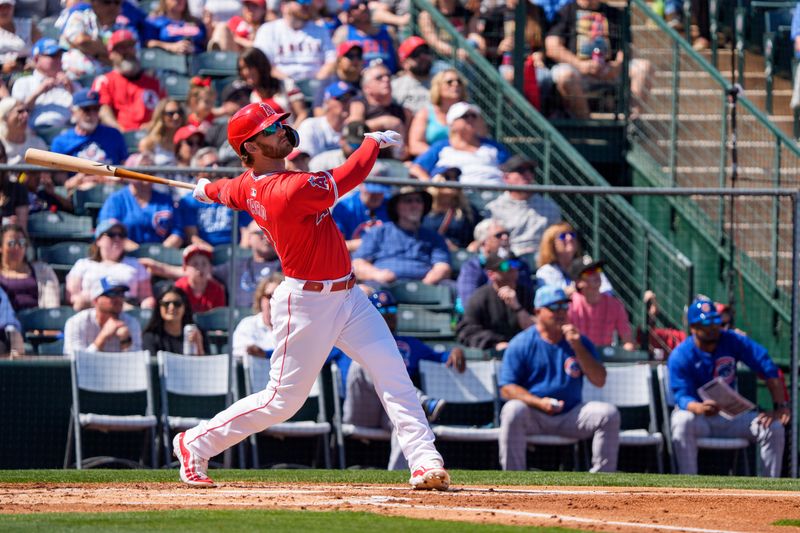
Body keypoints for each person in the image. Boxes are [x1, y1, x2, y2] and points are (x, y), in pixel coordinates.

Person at [178, 101, 449, 490]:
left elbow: (230, 190)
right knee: (282, 401)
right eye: (270, 131)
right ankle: (194, 442)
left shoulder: (250, 184)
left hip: (349, 296)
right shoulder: (288, 189)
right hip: (305, 303)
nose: (281, 132)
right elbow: (350, 173)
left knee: (393, 373)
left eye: (279, 125)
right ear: (249, 149)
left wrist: (207, 190)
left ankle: (424, 461)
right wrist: (370, 142)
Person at [498, 285, 620, 472]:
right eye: (554, 308)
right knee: (512, 410)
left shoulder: (579, 340)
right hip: (535, 414)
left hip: (571, 414)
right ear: (538, 311)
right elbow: (507, 388)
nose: (561, 312)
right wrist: (539, 403)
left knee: (608, 414)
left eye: (564, 306)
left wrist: (578, 347)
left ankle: (602, 481)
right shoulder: (521, 342)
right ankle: (513, 477)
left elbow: (599, 380)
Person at [668, 297, 790, 477]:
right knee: (681, 421)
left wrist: (781, 407)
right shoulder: (681, 355)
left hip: (731, 417)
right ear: (693, 328)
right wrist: (699, 407)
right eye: (706, 323)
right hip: (699, 418)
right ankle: (688, 484)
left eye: (715, 322)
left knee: (774, 428)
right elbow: (681, 396)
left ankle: (769, 491)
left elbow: (767, 366)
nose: (713, 328)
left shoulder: (731, 340)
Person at [344, 289, 465, 469]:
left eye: (392, 311)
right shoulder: (351, 339)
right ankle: (423, 402)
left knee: (405, 418)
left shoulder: (410, 344)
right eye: (382, 312)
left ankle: (397, 476)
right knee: (366, 361)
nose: (388, 316)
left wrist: (456, 351)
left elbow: (442, 357)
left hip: (390, 409)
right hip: (363, 409)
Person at [545, 0, 652, 119]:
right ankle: (586, 124)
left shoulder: (615, 13)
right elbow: (552, 47)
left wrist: (617, 66)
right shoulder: (566, 12)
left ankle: (633, 122)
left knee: (643, 67)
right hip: (577, 71)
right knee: (563, 74)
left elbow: (626, 47)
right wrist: (579, 64)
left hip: (610, 70)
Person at [353, 186, 452, 286]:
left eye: (419, 201)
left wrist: (428, 282)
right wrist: (377, 274)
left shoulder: (434, 237)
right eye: (408, 201)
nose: (415, 205)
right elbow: (358, 263)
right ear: (396, 207)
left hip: (425, 286)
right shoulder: (378, 233)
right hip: (383, 287)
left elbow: (442, 266)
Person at [410, 101, 509, 185]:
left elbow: (510, 171)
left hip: (496, 199)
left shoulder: (494, 147)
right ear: (452, 123)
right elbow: (416, 168)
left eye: (474, 116)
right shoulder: (441, 147)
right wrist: (431, 185)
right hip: (457, 201)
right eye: (465, 116)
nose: (471, 119)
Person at [171, 147, 252, 248]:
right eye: (210, 165)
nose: (216, 168)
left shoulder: (233, 193)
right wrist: (212, 254)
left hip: (234, 253)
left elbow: (246, 231)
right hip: (204, 255)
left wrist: (240, 255)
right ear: (197, 173)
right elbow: (192, 237)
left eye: (218, 164)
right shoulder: (188, 201)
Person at [66, 219, 155, 311]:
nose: (117, 238)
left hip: (126, 311)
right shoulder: (83, 264)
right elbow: (73, 296)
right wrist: (103, 303)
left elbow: (146, 297)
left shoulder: (135, 265)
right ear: (98, 240)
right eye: (111, 235)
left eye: (121, 235)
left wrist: (146, 307)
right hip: (91, 310)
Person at [51, 89, 128, 193]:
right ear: (73, 112)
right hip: (79, 193)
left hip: (111, 190)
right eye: (86, 109)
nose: (91, 114)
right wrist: (81, 179)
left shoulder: (113, 135)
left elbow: (125, 169)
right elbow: (63, 185)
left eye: (96, 109)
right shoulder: (61, 142)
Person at [456, 253, 535, 351]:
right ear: (491, 274)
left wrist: (517, 307)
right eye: (505, 266)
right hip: (492, 355)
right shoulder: (480, 297)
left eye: (514, 264)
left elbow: (538, 328)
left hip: (525, 351)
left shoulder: (527, 294)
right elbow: (467, 331)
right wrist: (495, 343)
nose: (512, 269)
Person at [252, 0, 336, 92]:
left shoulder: (320, 30)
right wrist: (289, 83)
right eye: (301, 1)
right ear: (285, 4)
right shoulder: (268, 29)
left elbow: (331, 60)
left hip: (315, 86)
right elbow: (262, 63)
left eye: (308, 2)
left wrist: (318, 80)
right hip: (280, 87)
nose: (306, 5)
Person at [97, 152, 178, 245]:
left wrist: (159, 253)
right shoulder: (116, 200)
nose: (148, 176)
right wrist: (138, 252)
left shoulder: (165, 200)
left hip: (160, 256)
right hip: (125, 256)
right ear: (130, 174)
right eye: (142, 172)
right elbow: (108, 232)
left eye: (152, 172)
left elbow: (177, 232)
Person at [486, 157, 561, 256]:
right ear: (506, 177)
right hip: (507, 263)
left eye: (531, 170)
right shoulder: (494, 208)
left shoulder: (549, 206)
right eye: (520, 170)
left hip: (542, 261)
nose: (527, 174)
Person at [94, 29, 165, 132]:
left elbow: (163, 108)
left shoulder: (154, 82)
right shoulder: (104, 81)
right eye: (121, 48)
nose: (127, 51)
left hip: (150, 137)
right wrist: (118, 130)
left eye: (130, 46)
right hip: (118, 138)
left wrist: (153, 125)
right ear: (111, 54)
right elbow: (103, 111)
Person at [456, 217, 534, 311]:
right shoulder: (472, 268)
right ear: (484, 243)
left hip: (517, 316)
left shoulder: (519, 264)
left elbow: (527, 298)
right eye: (499, 235)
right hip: (484, 318)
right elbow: (468, 302)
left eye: (507, 234)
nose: (505, 238)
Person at [64, 276, 143, 355]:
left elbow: (136, 364)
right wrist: (102, 337)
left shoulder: (131, 323)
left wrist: (125, 341)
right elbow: (74, 361)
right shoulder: (76, 323)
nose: (118, 298)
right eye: (112, 293)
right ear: (96, 300)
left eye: (121, 294)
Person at [567, 256, 634, 350]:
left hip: (605, 361)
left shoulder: (615, 304)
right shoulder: (569, 306)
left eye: (597, 270)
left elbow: (628, 341)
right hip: (577, 359)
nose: (596, 274)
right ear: (578, 282)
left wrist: (626, 354)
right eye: (589, 272)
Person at [10, 37, 76, 132]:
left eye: (60, 56)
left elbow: (84, 112)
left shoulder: (70, 82)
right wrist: (38, 92)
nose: (58, 60)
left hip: (66, 133)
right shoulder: (23, 83)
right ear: (36, 59)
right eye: (53, 56)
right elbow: (15, 115)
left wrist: (71, 89)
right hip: (34, 134)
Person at [238, 47, 308, 126]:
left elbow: (302, 114)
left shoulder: (287, 85)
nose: (245, 72)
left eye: (249, 67)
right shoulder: (253, 97)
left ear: (260, 65)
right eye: (242, 69)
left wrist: (291, 135)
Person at [536, 222, 612, 293]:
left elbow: (606, 290)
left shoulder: (586, 262)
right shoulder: (546, 272)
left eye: (572, 234)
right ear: (551, 244)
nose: (569, 238)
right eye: (563, 236)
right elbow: (557, 297)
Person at [407, 68, 466, 157]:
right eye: (449, 82)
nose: (456, 84)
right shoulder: (425, 113)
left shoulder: (470, 113)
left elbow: (480, 141)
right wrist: (442, 155)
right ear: (438, 87)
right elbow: (415, 145)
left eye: (459, 81)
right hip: (434, 162)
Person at [0, 223, 60, 311]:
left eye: (22, 242)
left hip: (38, 322)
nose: (17, 247)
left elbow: (52, 307)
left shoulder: (43, 270)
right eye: (11, 243)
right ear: (1, 247)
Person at [332, 0, 398, 73]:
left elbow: (399, 59)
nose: (363, 7)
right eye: (356, 7)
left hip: (389, 78)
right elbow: (336, 61)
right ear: (349, 15)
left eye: (364, 3)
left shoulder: (388, 31)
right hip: (358, 81)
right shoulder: (344, 32)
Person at [422, 168, 479, 251]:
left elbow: (479, 235)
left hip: (459, 256)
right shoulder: (422, 207)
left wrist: (475, 245)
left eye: (456, 178)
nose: (453, 181)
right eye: (447, 177)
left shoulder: (467, 210)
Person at [331, 176, 392, 252]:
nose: (376, 195)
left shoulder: (392, 205)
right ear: (361, 185)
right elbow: (333, 246)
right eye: (372, 191)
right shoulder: (345, 207)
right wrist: (363, 244)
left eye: (380, 191)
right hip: (352, 258)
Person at [143, 284, 206, 357]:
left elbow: (207, 365)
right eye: (166, 304)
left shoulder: (198, 333)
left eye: (177, 303)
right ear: (159, 307)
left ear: (185, 307)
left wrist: (199, 345)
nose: (171, 307)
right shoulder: (150, 337)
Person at [296, 81, 355, 157]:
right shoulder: (310, 126)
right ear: (327, 102)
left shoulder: (351, 129)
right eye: (342, 98)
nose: (347, 102)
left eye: (350, 98)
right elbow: (306, 162)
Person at [231, 273, 282, 358]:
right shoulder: (247, 324)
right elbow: (240, 352)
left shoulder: (292, 328)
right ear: (260, 299)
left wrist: (265, 354)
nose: (273, 301)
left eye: (277, 297)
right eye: (269, 296)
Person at [312, 41, 364, 114]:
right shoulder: (328, 82)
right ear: (339, 60)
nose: (355, 59)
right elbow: (318, 111)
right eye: (350, 56)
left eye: (359, 55)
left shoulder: (366, 81)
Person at [175, 244, 225, 314]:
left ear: (210, 267)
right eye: (195, 264)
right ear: (185, 268)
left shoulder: (217, 289)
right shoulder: (179, 287)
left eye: (204, 264)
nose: (200, 268)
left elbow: (218, 317)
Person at [391, 36, 434, 115]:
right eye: (416, 54)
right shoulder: (394, 87)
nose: (423, 56)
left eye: (425, 51)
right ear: (404, 63)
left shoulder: (442, 82)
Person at [0, 97, 46, 167]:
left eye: (27, 111)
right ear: (5, 116)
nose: (26, 115)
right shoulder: (1, 144)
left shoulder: (37, 144)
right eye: (20, 111)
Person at [138, 99, 186, 165]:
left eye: (179, 112)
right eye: (171, 113)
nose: (176, 117)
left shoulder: (188, 142)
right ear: (161, 116)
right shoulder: (149, 143)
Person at [0, 142, 29, 227]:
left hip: (9, 237)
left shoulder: (18, 188)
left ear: (5, 159)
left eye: (0, 157)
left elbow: (22, 227)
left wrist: (15, 225)